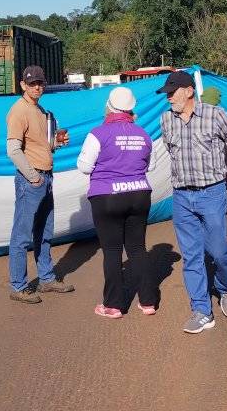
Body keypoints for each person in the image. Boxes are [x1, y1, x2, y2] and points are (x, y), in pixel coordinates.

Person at [157, 70, 227, 334]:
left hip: (212, 193)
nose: (168, 99)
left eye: (172, 93)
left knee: (219, 252)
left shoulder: (215, 115)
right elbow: (172, 153)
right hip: (182, 196)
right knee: (191, 256)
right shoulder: (167, 120)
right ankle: (201, 310)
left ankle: (226, 289)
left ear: (188, 91)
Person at [77, 86, 158, 317]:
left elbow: (84, 167)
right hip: (139, 194)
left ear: (109, 107)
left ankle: (113, 305)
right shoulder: (144, 134)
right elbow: (149, 166)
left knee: (112, 250)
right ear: (132, 108)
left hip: (107, 197)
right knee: (137, 248)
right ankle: (148, 301)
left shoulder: (98, 134)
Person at [6, 65, 75, 303]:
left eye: (40, 83)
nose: (37, 87)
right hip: (32, 180)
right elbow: (13, 150)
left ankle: (46, 279)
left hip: (45, 177)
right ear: (23, 85)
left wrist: (56, 143)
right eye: (32, 83)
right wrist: (33, 177)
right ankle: (18, 285)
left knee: (44, 232)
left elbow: (41, 146)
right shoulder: (19, 111)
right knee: (22, 236)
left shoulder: (40, 110)